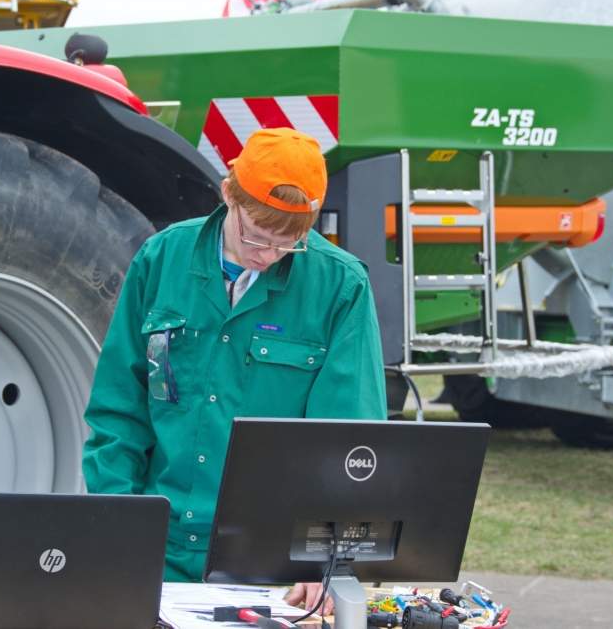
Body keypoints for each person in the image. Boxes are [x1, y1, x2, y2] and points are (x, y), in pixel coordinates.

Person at [82, 127, 386, 612]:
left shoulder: (340, 287)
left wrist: (329, 560)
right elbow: (119, 411)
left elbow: (350, 438)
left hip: (272, 564)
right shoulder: (161, 261)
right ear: (228, 194)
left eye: (290, 244)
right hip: (156, 549)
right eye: (255, 236)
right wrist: (118, 522)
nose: (267, 256)